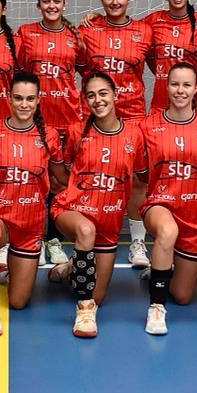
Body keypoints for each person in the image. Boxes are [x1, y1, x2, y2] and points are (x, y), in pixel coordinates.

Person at [48, 72, 148, 338]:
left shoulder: (134, 135)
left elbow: (141, 177)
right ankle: (84, 311)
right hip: (72, 210)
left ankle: (73, 266)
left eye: (103, 93)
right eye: (91, 95)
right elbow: (63, 171)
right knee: (85, 231)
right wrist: (73, 190)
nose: (98, 100)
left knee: (99, 296)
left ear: (116, 95)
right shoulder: (76, 131)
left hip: (109, 223)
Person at [0, 71, 67, 336]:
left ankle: (9, 270)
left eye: (30, 99)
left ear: (38, 100)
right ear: (9, 98)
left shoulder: (49, 136)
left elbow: (61, 179)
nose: (24, 104)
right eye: (18, 98)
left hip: (30, 222)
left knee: (18, 302)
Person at [137, 62, 197, 335]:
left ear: (196, 88)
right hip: (160, 204)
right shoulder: (147, 126)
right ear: (166, 86)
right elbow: (139, 173)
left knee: (183, 295)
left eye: (187, 85)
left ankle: (162, 266)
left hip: (195, 211)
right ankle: (156, 307)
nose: (180, 90)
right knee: (167, 230)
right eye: (175, 84)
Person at [78, 0, 153, 269]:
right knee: (94, 174)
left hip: (133, 112)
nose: (115, 2)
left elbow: (159, 66)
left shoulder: (144, 30)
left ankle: (137, 242)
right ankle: (89, 236)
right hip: (97, 114)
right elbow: (79, 67)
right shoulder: (89, 28)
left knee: (137, 178)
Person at [16, 0, 85, 266]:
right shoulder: (26, 33)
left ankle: (53, 241)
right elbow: (20, 74)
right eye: (46, 1)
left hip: (67, 118)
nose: (52, 6)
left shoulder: (75, 36)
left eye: (57, 1)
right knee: (33, 180)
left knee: (58, 182)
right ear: (38, 5)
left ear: (64, 4)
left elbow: (87, 72)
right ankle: (30, 237)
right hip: (36, 120)